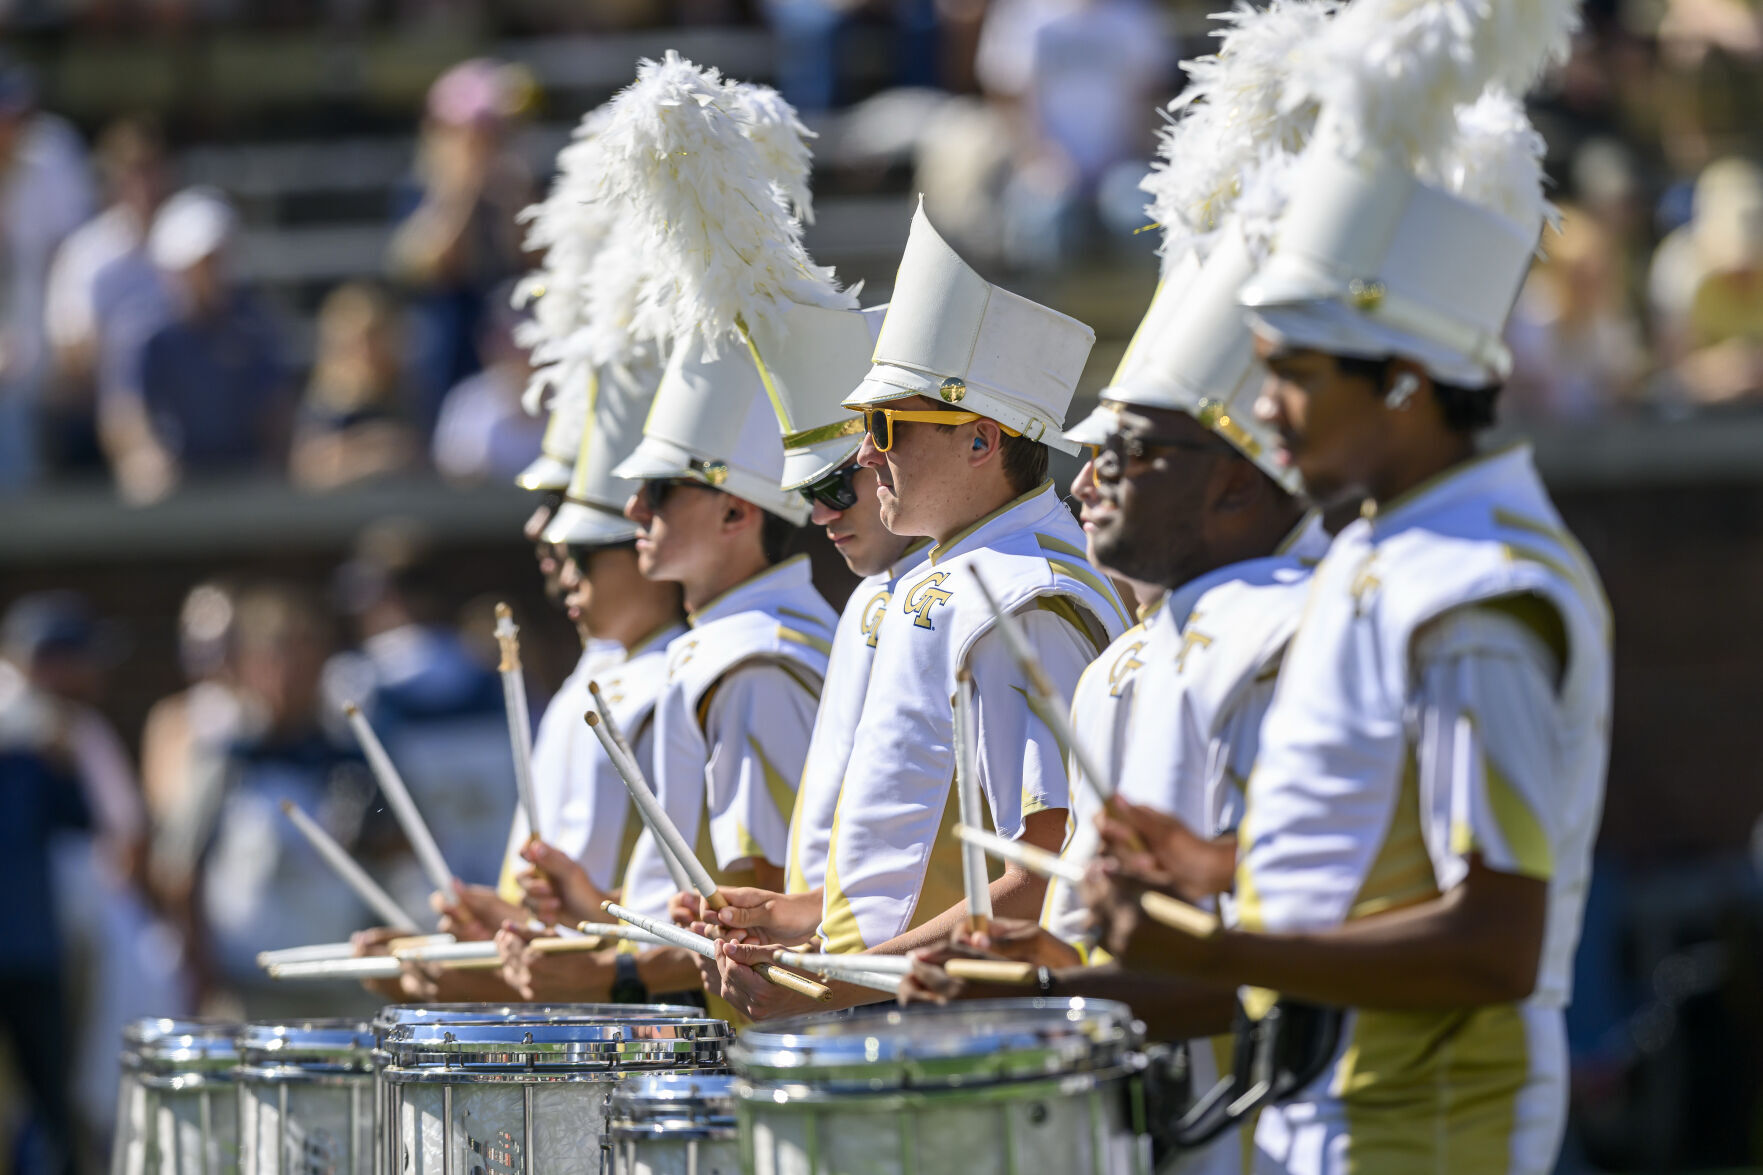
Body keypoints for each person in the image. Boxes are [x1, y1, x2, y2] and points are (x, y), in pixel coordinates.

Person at [1085, 5, 1610, 1167]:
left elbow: (1492, 943)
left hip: (1424, 1131)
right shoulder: (1381, 558)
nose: (1262, 413)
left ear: (1408, 381)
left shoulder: (1471, 590)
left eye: (1294, 377)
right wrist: (1213, 868)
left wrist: (1219, 954)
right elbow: (1382, 862)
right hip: (1332, 1115)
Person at [712, 201, 1128, 1014]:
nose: (864, 454)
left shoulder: (1022, 600)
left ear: (981, 439)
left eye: (884, 427)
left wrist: (834, 986)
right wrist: (793, 924)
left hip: (965, 1048)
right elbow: (904, 868)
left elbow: (1040, 880)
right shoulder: (954, 580)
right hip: (903, 1026)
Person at [325, 522, 516, 917]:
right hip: (508, 893)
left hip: (418, 903)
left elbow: (353, 813)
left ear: (385, 598)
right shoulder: (498, 668)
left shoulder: (355, 679)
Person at [102, 187, 290, 501]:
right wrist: (145, 456)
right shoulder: (141, 330)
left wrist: (276, 464)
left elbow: (276, 408)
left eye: (216, 259)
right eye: (199, 262)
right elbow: (124, 414)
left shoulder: (254, 326)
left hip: (244, 473)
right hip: (170, 478)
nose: (209, 272)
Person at [387, 58, 534, 430]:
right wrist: (463, 189)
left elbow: (526, 257)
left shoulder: (511, 187)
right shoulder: (419, 191)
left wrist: (509, 197)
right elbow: (429, 263)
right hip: (449, 350)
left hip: (504, 348)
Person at [43, 115, 167, 475]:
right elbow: (73, 354)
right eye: (132, 172)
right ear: (112, 179)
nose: (143, 184)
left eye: (151, 170)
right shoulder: (86, 254)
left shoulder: (188, 241)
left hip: (182, 404)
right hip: (100, 407)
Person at [0, 56, 95, 490]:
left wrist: (65, 330)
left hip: (42, 323)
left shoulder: (54, 150)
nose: (12, 127)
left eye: (18, 115)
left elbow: (71, 254)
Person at [289, 281, 423, 490]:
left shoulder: (405, 395)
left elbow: (415, 456)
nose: (366, 352)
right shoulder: (321, 403)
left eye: (374, 339)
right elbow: (308, 471)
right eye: (357, 341)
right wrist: (374, 449)